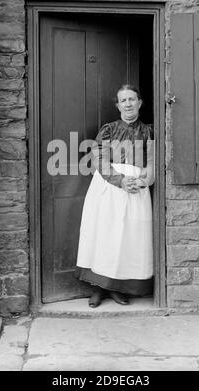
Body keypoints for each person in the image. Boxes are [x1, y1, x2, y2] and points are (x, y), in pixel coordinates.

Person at [75, 84, 155, 308]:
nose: (128, 104)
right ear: (118, 105)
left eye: (132, 99)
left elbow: (152, 163)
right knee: (106, 236)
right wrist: (120, 181)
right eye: (123, 100)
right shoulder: (109, 129)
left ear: (139, 103)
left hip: (136, 190)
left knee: (128, 238)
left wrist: (141, 181)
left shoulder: (149, 131)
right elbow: (99, 158)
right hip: (109, 189)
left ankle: (118, 288)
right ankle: (99, 289)